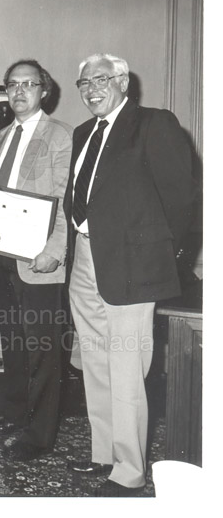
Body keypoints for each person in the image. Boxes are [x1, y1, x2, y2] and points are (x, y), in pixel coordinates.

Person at [64, 54, 195, 496]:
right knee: (96, 362)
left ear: (123, 81)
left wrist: (164, 252)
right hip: (84, 257)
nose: (91, 89)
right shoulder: (84, 132)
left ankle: (131, 470)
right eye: (84, 82)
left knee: (125, 365)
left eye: (101, 79)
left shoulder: (154, 123)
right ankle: (105, 452)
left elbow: (182, 197)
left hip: (133, 264)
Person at [0, 60, 72, 458]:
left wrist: (54, 251)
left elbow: (65, 201)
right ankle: (16, 412)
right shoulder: (2, 137)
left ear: (45, 90)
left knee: (44, 348)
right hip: (1, 258)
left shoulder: (61, 137)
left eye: (29, 84)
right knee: (13, 342)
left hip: (38, 260)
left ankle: (40, 434)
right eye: (13, 85)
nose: (20, 92)